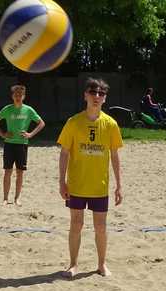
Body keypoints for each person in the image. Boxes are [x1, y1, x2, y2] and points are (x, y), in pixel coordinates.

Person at [57, 77, 123, 278]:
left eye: (101, 94)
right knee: (76, 224)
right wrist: (62, 181)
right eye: (93, 92)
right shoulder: (73, 122)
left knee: (100, 227)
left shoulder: (110, 124)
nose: (97, 96)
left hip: (99, 186)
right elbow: (64, 152)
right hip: (77, 184)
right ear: (85, 95)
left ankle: (101, 264)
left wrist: (119, 185)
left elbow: (114, 155)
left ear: (105, 99)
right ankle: (73, 264)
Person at [0, 84, 45, 206]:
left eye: (20, 95)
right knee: (7, 171)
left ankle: (17, 198)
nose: (18, 97)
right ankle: (5, 198)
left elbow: (41, 123)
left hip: (22, 144)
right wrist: (2, 134)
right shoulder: (7, 109)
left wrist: (30, 134)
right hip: (9, 144)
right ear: (12, 96)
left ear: (24, 96)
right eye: (16, 94)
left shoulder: (28, 110)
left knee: (20, 172)